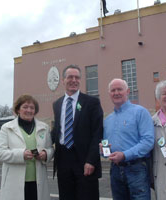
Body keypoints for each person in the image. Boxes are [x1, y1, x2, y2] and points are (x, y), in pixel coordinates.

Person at [51, 65, 103, 200]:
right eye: (70, 77)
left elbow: (97, 133)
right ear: (63, 80)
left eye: (77, 77)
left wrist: (91, 160)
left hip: (85, 162)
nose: (74, 80)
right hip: (63, 160)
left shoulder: (92, 102)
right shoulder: (57, 104)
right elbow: (57, 130)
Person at [103, 78, 154, 200]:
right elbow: (106, 147)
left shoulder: (140, 112)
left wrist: (124, 155)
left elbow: (148, 141)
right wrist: (104, 151)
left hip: (136, 169)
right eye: (113, 90)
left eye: (119, 89)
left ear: (128, 91)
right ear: (109, 94)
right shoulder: (107, 120)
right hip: (115, 170)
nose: (116, 93)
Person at [0, 95, 54, 200]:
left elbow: (50, 149)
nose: (29, 110)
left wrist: (45, 154)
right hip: (14, 182)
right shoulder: (7, 128)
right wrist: (21, 154)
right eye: (25, 107)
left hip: (37, 182)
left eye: (32, 108)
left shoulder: (44, 127)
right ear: (18, 109)